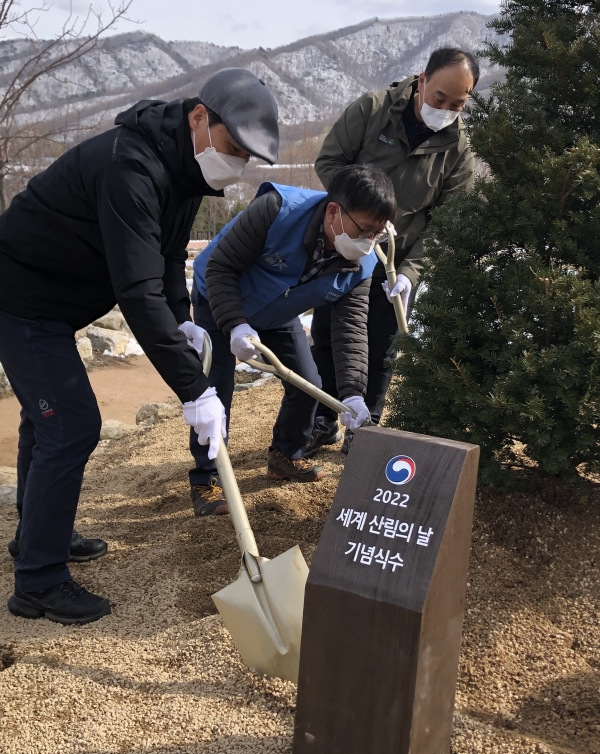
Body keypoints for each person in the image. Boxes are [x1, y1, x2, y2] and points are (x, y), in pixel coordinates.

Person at [0, 68, 279, 624]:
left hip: (54, 301)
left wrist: (183, 320)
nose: (237, 165)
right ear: (201, 117)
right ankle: (38, 581)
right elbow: (136, 288)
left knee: (47, 420)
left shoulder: (181, 170)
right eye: (232, 148)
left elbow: (167, 258)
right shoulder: (131, 165)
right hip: (22, 296)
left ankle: (36, 535)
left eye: (247, 158)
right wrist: (194, 390)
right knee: (71, 423)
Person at [188, 164, 396, 516]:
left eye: (377, 234)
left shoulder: (361, 263)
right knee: (215, 393)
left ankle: (285, 454)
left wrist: (353, 393)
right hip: (220, 300)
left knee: (308, 383)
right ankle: (206, 479)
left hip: (277, 314)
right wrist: (235, 324)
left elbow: (350, 328)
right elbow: (221, 267)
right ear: (333, 211)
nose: (368, 242)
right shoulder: (276, 210)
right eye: (364, 230)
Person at [306, 47, 478, 456]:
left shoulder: (458, 150)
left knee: (382, 347)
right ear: (421, 81)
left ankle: (366, 430)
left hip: (398, 262)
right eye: (439, 98)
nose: (446, 110)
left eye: (458, 104)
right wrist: (360, 214)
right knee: (330, 336)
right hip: (346, 248)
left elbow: (448, 222)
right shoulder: (372, 109)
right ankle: (323, 419)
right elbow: (329, 161)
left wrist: (410, 274)